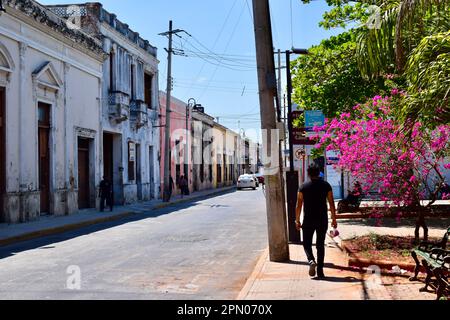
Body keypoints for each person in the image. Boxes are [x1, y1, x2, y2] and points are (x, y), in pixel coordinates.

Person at [295, 164, 337, 279]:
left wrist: (297, 220)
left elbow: (299, 205)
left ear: (308, 174)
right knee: (320, 245)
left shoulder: (303, 187)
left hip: (308, 220)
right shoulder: (326, 185)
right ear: (319, 173)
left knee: (307, 244)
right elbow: (332, 203)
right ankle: (320, 271)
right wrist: (334, 218)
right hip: (322, 220)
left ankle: (311, 260)